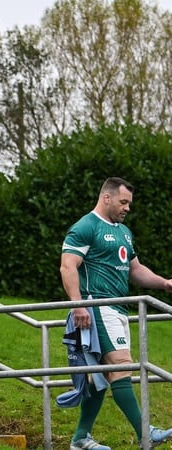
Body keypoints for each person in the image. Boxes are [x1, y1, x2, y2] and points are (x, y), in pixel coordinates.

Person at [60, 177, 172, 450]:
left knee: (102, 376)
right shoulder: (86, 226)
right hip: (97, 306)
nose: (127, 208)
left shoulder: (124, 232)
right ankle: (146, 432)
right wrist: (78, 305)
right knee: (121, 366)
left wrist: (165, 283)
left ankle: (80, 438)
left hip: (119, 309)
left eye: (129, 203)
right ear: (106, 198)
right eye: (123, 202)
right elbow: (67, 266)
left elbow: (135, 270)